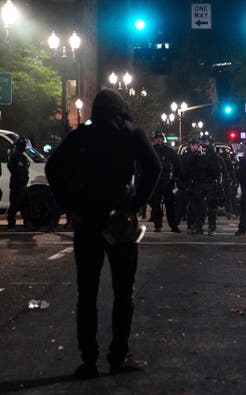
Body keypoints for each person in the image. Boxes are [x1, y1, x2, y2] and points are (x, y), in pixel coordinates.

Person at [45, 89, 161, 378]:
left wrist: (70, 203)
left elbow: (52, 168)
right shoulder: (131, 133)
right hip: (119, 219)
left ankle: (89, 359)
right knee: (124, 291)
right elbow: (154, 166)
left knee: (87, 294)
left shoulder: (82, 136)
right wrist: (136, 203)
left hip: (87, 218)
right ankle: (118, 355)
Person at [190, 135, 224, 235]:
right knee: (198, 206)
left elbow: (217, 170)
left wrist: (218, 183)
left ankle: (211, 227)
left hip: (210, 182)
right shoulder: (197, 154)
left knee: (211, 206)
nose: (205, 144)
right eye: (203, 142)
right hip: (199, 182)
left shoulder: (214, 155)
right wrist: (196, 154)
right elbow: (191, 166)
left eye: (207, 142)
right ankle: (198, 226)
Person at [149, 131, 181, 233]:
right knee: (155, 204)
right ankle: (158, 225)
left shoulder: (169, 151)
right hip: (155, 181)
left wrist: (174, 174)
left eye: (160, 137)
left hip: (167, 181)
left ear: (163, 139)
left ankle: (173, 226)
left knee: (170, 205)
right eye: (157, 137)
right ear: (154, 139)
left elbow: (178, 164)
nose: (159, 139)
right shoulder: (150, 151)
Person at [7, 137, 30, 231]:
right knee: (14, 206)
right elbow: (13, 169)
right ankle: (11, 226)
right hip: (16, 185)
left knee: (25, 206)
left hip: (22, 185)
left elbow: (25, 169)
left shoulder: (22, 156)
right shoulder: (14, 156)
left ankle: (27, 224)